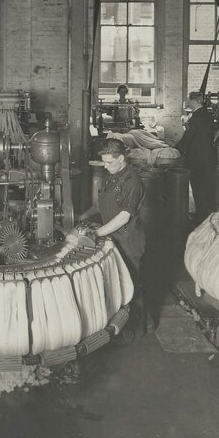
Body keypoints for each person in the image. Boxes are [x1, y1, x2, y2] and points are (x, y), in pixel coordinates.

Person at [76, 138, 148, 339]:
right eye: (104, 162)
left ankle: (138, 329)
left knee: (131, 284)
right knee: (117, 283)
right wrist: (83, 216)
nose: (106, 167)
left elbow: (125, 216)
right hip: (112, 237)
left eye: (109, 162)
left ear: (122, 158)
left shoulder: (132, 181)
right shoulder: (111, 176)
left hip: (129, 240)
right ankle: (124, 325)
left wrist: (97, 233)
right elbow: (101, 204)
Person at [175, 92, 217, 221]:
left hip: (196, 159)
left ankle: (200, 215)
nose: (188, 103)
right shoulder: (207, 115)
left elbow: (188, 138)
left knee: (197, 186)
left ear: (195, 102)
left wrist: (175, 150)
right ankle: (207, 212)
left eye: (190, 101)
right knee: (205, 186)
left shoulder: (196, 118)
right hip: (208, 157)